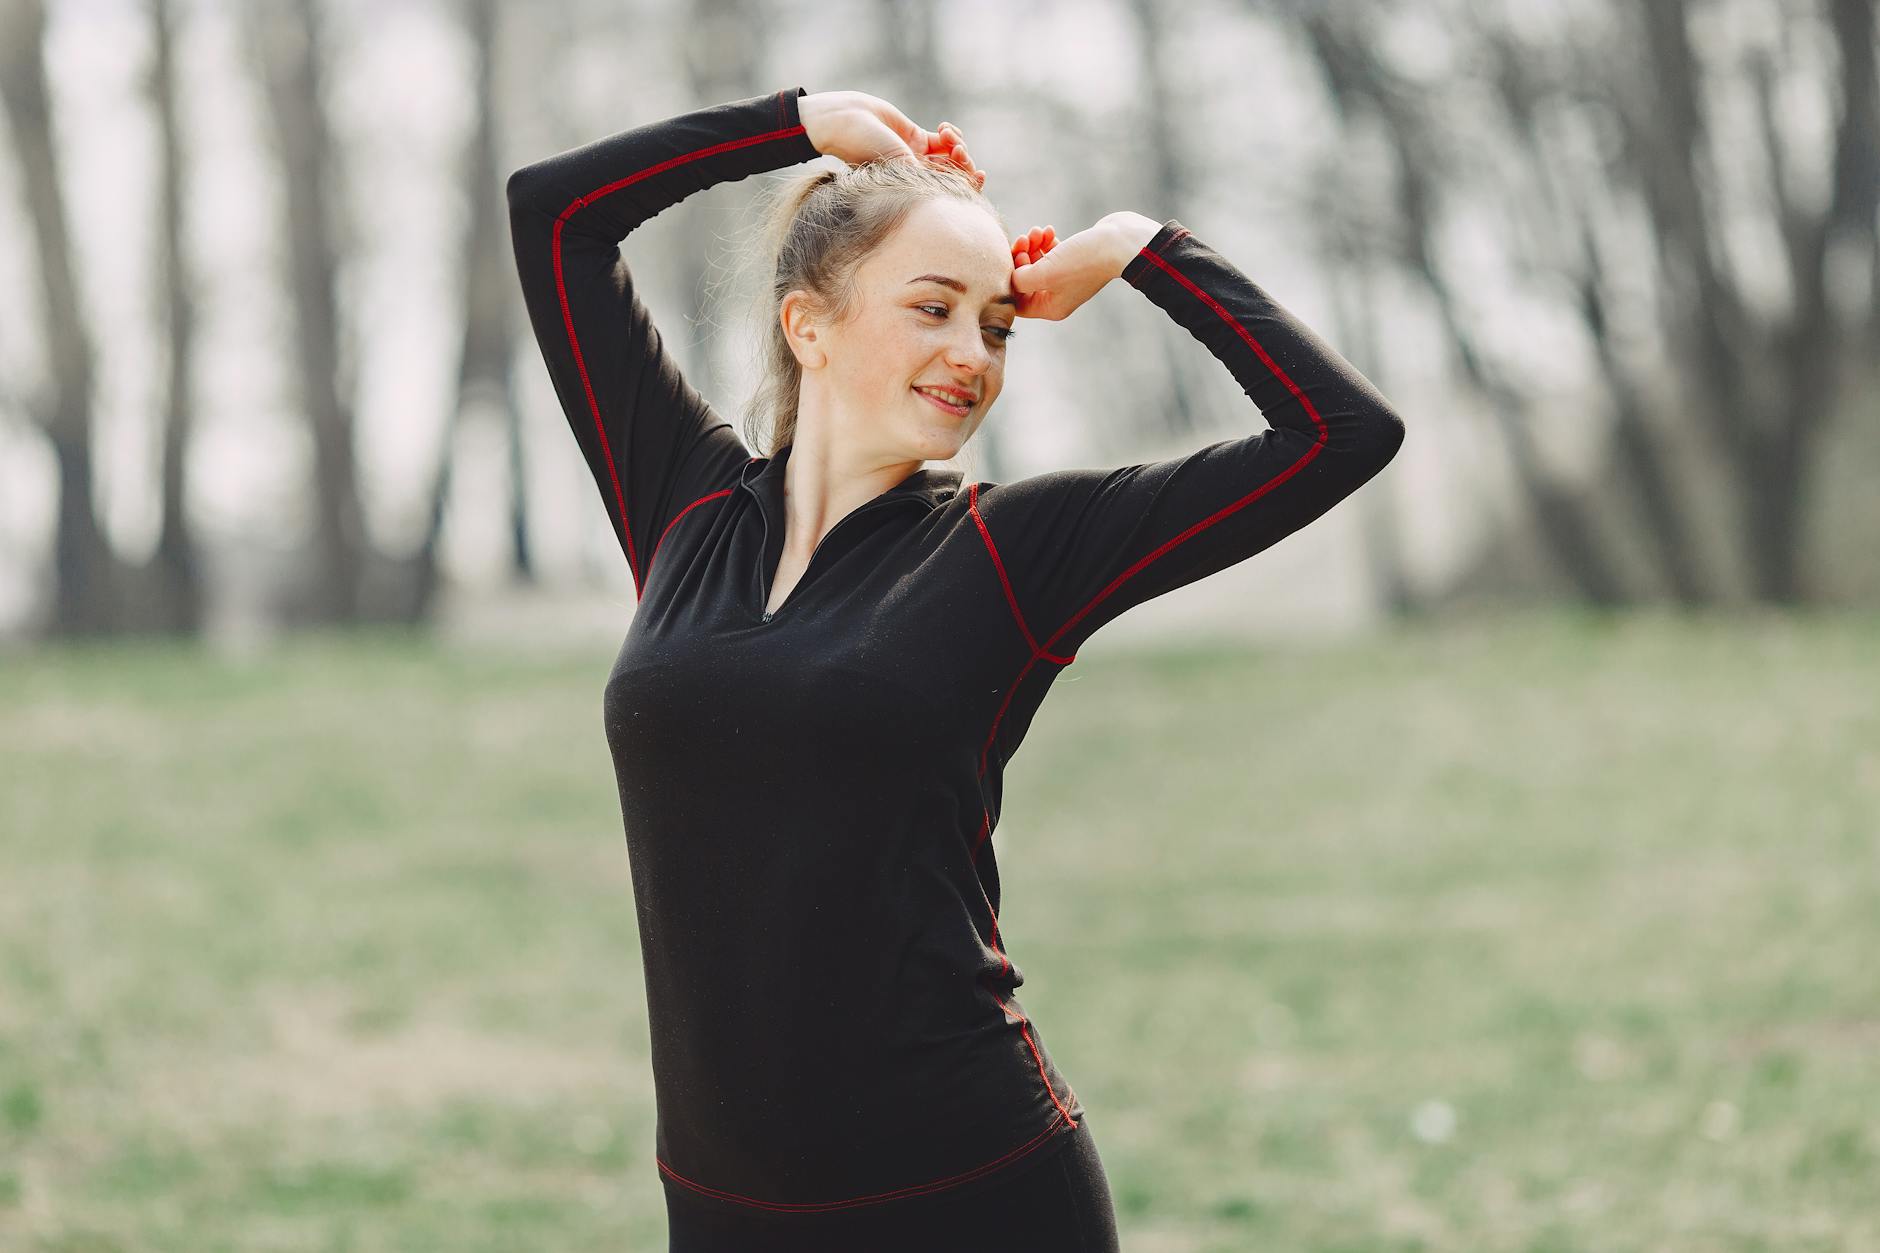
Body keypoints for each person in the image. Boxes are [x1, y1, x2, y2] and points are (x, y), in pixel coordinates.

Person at [507, 85, 1405, 1253]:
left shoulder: (1013, 551)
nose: (969, 354)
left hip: (967, 1187)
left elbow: (1341, 433)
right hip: (722, 1204)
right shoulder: (682, 508)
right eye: (932, 307)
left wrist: (1140, 252)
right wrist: (795, 123)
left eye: (995, 323)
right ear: (807, 326)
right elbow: (552, 214)